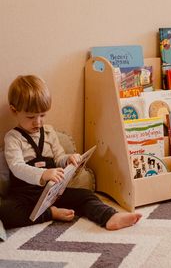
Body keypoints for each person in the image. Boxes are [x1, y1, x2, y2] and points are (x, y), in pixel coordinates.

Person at [0, 75, 142, 230]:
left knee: (85, 195)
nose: (38, 122)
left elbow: (59, 158)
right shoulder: (13, 138)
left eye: (42, 115)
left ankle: (109, 217)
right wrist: (43, 174)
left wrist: (69, 160)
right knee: (5, 211)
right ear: (14, 111)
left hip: (52, 194)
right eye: (31, 117)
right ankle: (51, 214)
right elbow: (16, 166)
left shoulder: (48, 132)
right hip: (25, 197)